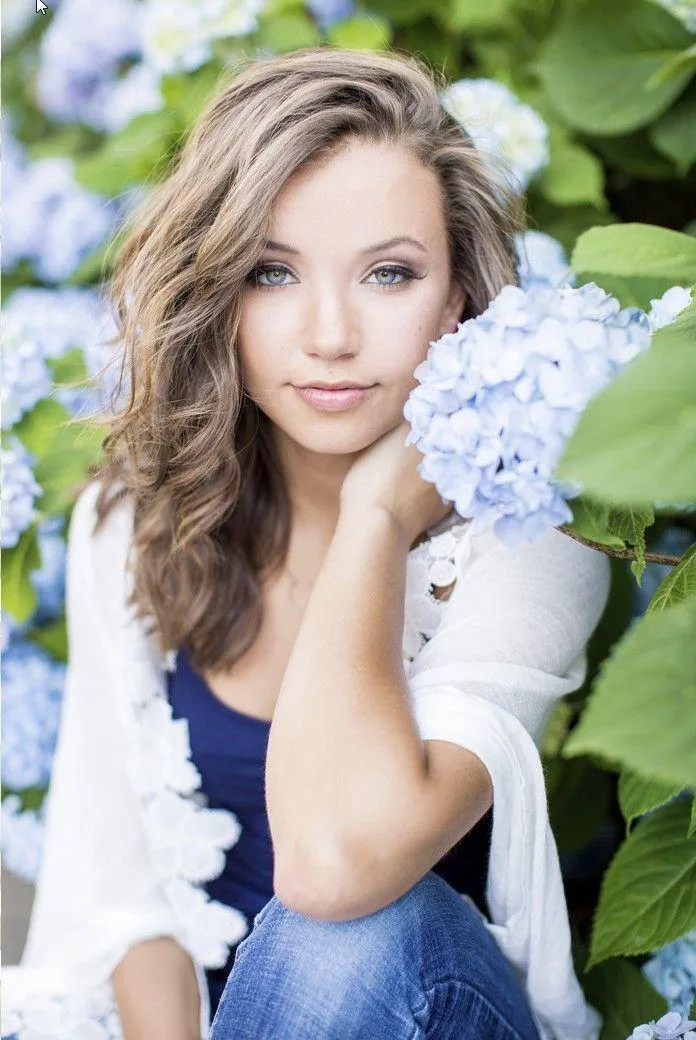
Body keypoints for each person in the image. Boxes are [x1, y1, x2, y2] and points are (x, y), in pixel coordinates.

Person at [2, 47, 612, 1040]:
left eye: (388, 273)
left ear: (456, 299)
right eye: (272, 271)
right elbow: (130, 907)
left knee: (347, 933)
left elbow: (335, 865)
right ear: (220, 296)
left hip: (432, 1008)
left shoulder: (532, 532)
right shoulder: (137, 517)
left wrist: (377, 516)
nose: (330, 334)